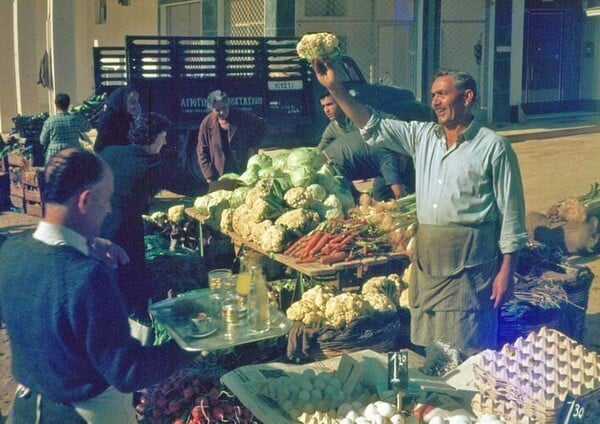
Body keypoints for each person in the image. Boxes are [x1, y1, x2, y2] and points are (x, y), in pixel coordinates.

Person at [312, 60, 528, 352]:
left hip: (470, 262)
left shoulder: (493, 147)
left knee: (466, 343)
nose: (435, 102)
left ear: (467, 97)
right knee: (430, 345)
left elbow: (512, 215)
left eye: (442, 94)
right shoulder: (422, 137)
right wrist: (335, 88)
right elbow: (372, 123)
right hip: (428, 261)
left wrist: (506, 272)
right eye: (433, 96)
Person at [0, 148, 195, 423]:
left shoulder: (10, 252)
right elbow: (128, 372)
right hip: (83, 414)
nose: (108, 210)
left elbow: (46, 279)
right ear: (86, 200)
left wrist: (84, 243)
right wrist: (194, 344)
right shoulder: (87, 277)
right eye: (106, 200)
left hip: (25, 409)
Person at [99, 113, 169, 319]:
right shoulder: (150, 165)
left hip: (96, 225)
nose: (165, 141)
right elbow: (186, 184)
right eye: (163, 136)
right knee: (130, 276)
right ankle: (133, 320)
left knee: (106, 276)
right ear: (154, 137)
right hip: (125, 229)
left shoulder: (109, 152)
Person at [197, 89, 267, 187]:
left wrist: (253, 146)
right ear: (212, 109)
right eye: (217, 110)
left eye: (224, 108)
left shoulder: (241, 116)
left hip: (241, 170)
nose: (222, 112)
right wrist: (209, 176)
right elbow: (202, 152)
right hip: (220, 175)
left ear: (228, 104)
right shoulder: (206, 123)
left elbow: (262, 126)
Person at [323, 131, 414, 201]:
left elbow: (380, 190)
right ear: (402, 156)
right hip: (332, 166)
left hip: (332, 158)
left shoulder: (383, 140)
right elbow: (399, 194)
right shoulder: (389, 157)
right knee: (347, 206)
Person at [40, 93, 92, 164]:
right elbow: (88, 128)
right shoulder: (75, 118)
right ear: (68, 104)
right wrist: (81, 115)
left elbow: (42, 141)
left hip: (54, 155)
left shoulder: (50, 121)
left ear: (56, 105)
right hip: (73, 152)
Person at [93, 86, 142, 153]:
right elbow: (101, 147)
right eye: (132, 102)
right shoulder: (109, 117)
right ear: (121, 100)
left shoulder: (126, 117)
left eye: (136, 102)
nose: (135, 106)